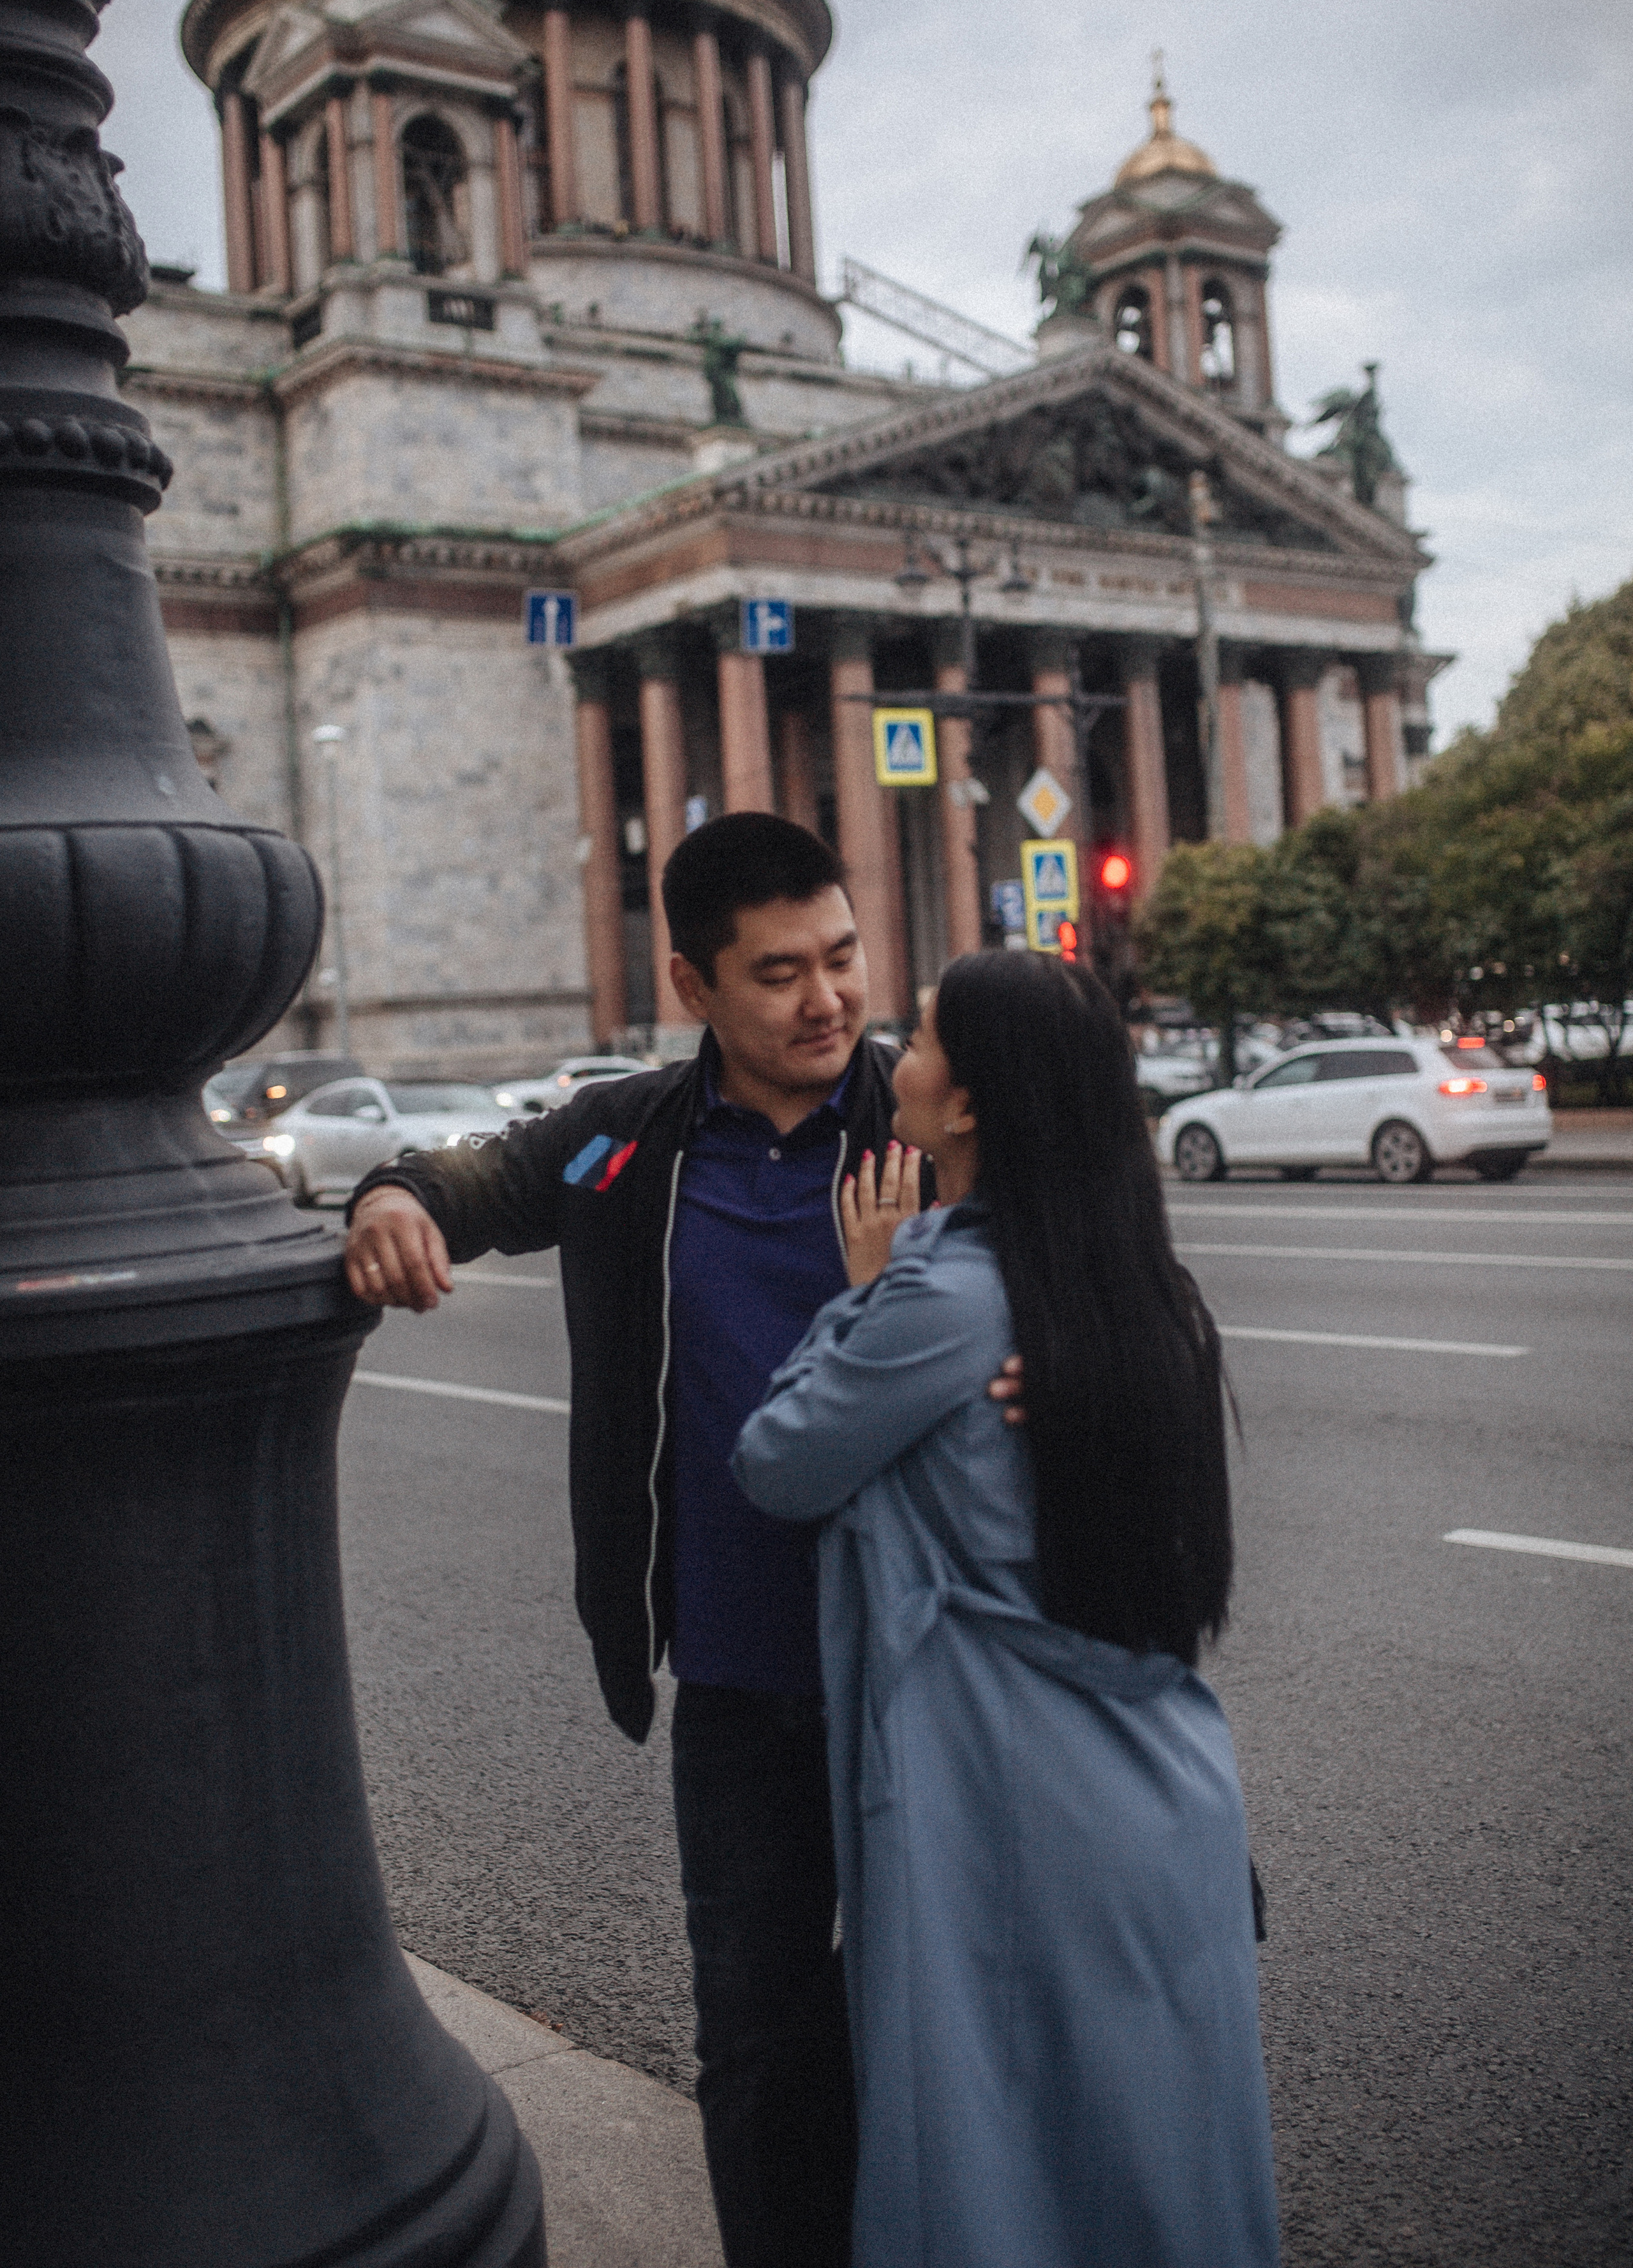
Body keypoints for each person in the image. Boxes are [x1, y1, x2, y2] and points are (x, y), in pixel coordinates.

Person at [341, 813, 929, 2268]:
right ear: (692, 987)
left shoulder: (924, 1120)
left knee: (940, 2019)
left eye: (843, 958)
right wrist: (391, 1196)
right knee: (758, 2035)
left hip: (930, 1664)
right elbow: (468, 1176)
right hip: (738, 1679)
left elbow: (1080, 1270)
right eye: (780, 972)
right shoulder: (626, 1138)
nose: (828, 1000)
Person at [732, 951, 1280, 2268]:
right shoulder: (1128, 1288)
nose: (888, 1055)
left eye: (913, 1039)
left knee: (1000, 2160)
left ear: (968, 1105)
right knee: (1151, 2169)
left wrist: (859, 1290)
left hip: (1010, 1807)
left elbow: (775, 1462)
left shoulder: (938, 1295)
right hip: (1160, 1793)